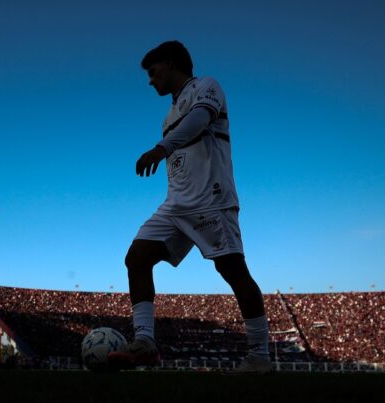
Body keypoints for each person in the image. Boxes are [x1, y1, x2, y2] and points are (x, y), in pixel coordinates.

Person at [107, 41, 272, 374]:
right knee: (137, 257)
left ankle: (259, 356)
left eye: (153, 72)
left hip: (211, 200)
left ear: (170, 64)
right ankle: (145, 343)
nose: (150, 81)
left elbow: (198, 120)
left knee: (233, 270)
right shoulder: (167, 116)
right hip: (175, 206)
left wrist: (161, 149)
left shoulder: (207, 86)